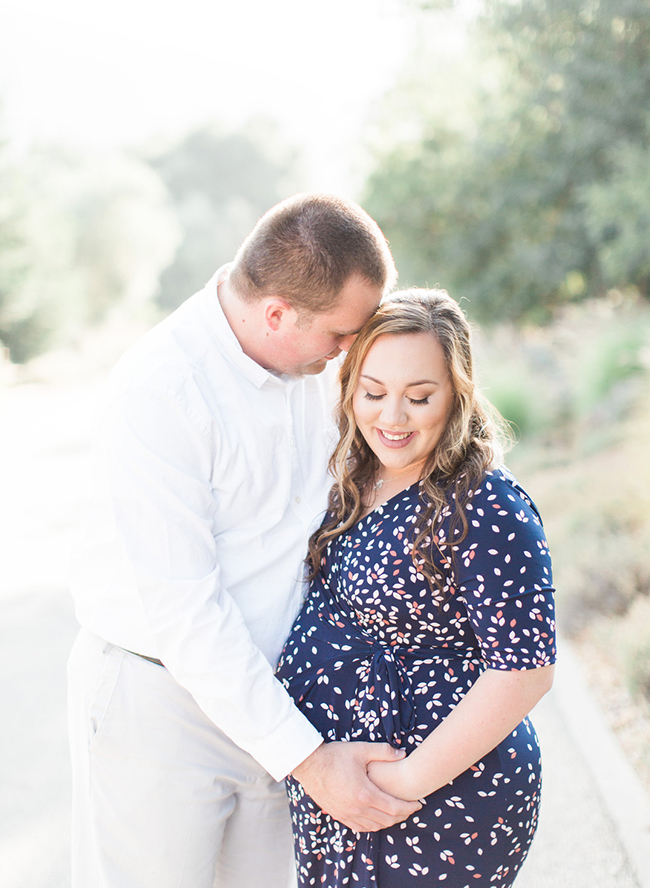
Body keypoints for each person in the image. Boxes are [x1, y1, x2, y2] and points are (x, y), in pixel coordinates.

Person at [67, 193, 421, 888]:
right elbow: (186, 615)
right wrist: (314, 764)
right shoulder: (162, 391)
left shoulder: (311, 364)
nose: (352, 351)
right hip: (159, 706)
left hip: (275, 701)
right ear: (277, 314)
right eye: (342, 336)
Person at [276, 288, 557, 887]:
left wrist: (400, 783)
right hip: (347, 795)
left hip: (437, 796)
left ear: (457, 394)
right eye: (373, 393)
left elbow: (525, 670)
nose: (391, 418)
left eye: (419, 397)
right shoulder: (354, 474)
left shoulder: (486, 504)